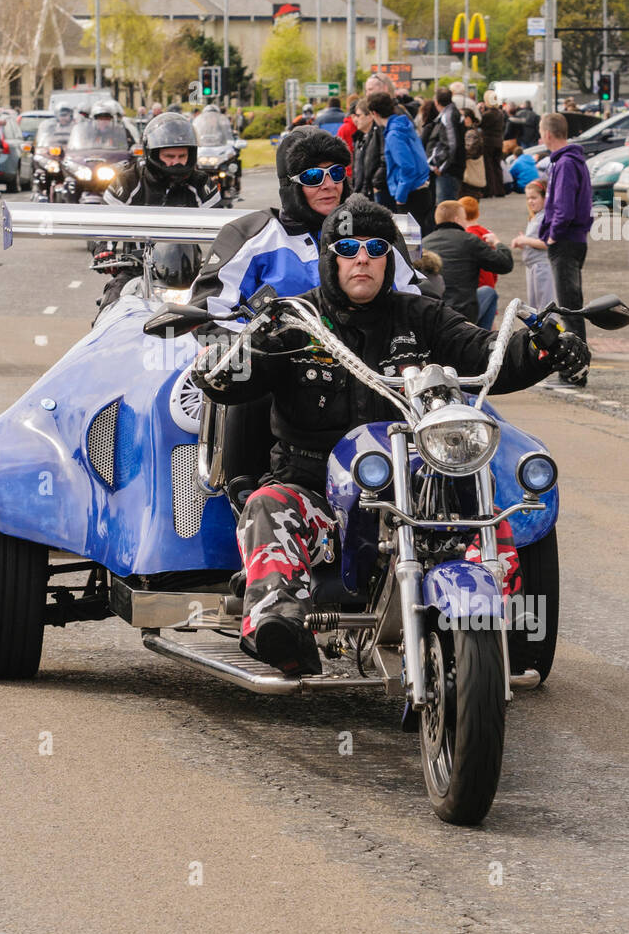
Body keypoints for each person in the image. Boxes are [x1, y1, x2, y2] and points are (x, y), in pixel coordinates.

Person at [192, 195, 588, 673]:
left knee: (487, 511)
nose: (362, 257)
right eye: (349, 247)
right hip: (318, 495)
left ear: (389, 259)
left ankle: (496, 623)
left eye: (376, 247)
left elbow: (485, 353)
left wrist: (546, 350)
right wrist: (236, 356)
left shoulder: (421, 315)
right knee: (266, 505)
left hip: (416, 492)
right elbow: (227, 383)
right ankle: (277, 626)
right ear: (329, 258)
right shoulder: (296, 321)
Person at [188, 126, 421, 321]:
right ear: (290, 185)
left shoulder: (374, 230)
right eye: (313, 177)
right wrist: (258, 352)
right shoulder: (248, 236)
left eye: (336, 172)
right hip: (278, 366)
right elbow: (208, 313)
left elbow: (416, 304)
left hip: (366, 367)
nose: (329, 184)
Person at [96, 111, 219, 309]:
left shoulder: (202, 184)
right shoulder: (128, 181)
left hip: (192, 270)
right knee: (111, 305)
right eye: (169, 156)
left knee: (226, 310)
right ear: (152, 153)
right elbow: (106, 223)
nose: (176, 162)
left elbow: (224, 229)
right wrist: (104, 251)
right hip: (135, 269)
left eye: (182, 156)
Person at [538, 111, 593, 388]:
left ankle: (573, 373)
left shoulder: (565, 164)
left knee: (569, 309)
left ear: (548, 134)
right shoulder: (572, 161)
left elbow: (564, 205)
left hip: (566, 240)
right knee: (571, 306)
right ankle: (574, 370)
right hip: (574, 239)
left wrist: (553, 235)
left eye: (540, 132)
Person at [423, 199, 513, 324]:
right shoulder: (469, 240)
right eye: (465, 219)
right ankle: (481, 340)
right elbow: (505, 264)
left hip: (432, 313)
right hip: (462, 313)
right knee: (488, 292)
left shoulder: (425, 243)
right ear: (457, 220)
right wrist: (497, 243)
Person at [365, 91, 432, 232]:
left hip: (410, 194)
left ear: (374, 113)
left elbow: (407, 167)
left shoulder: (393, 135)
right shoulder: (405, 126)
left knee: (411, 246)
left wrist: (400, 196)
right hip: (420, 188)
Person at [511, 179, 555, 313]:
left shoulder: (545, 217)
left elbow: (547, 243)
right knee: (534, 306)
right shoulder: (535, 217)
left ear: (544, 197)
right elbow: (534, 241)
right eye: (528, 198)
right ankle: (539, 332)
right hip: (532, 266)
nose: (530, 201)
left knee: (545, 305)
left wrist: (525, 240)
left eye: (534, 198)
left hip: (542, 266)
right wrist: (524, 244)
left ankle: (548, 332)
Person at [458, 195, 499, 328]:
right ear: (478, 213)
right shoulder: (487, 233)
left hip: (476, 283)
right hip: (489, 280)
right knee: (490, 317)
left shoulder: (465, 237)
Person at [429, 86, 466, 203]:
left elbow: (452, 143)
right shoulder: (453, 112)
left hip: (449, 169)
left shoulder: (448, 116)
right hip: (453, 167)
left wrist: (441, 166)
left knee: (445, 206)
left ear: (436, 102)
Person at [480, 90, 506, 198]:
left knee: (488, 166)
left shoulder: (487, 115)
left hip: (487, 141)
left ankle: (489, 190)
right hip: (498, 141)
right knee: (497, 166)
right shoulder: (500, 113)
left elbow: (480, 124)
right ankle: (500, 190)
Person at [460, 108, 487, 199]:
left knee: (469, 202)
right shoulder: (474, 131)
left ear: (468, 118)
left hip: (470, 176)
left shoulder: (470, 133)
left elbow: (469, 151)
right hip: (472, 176)